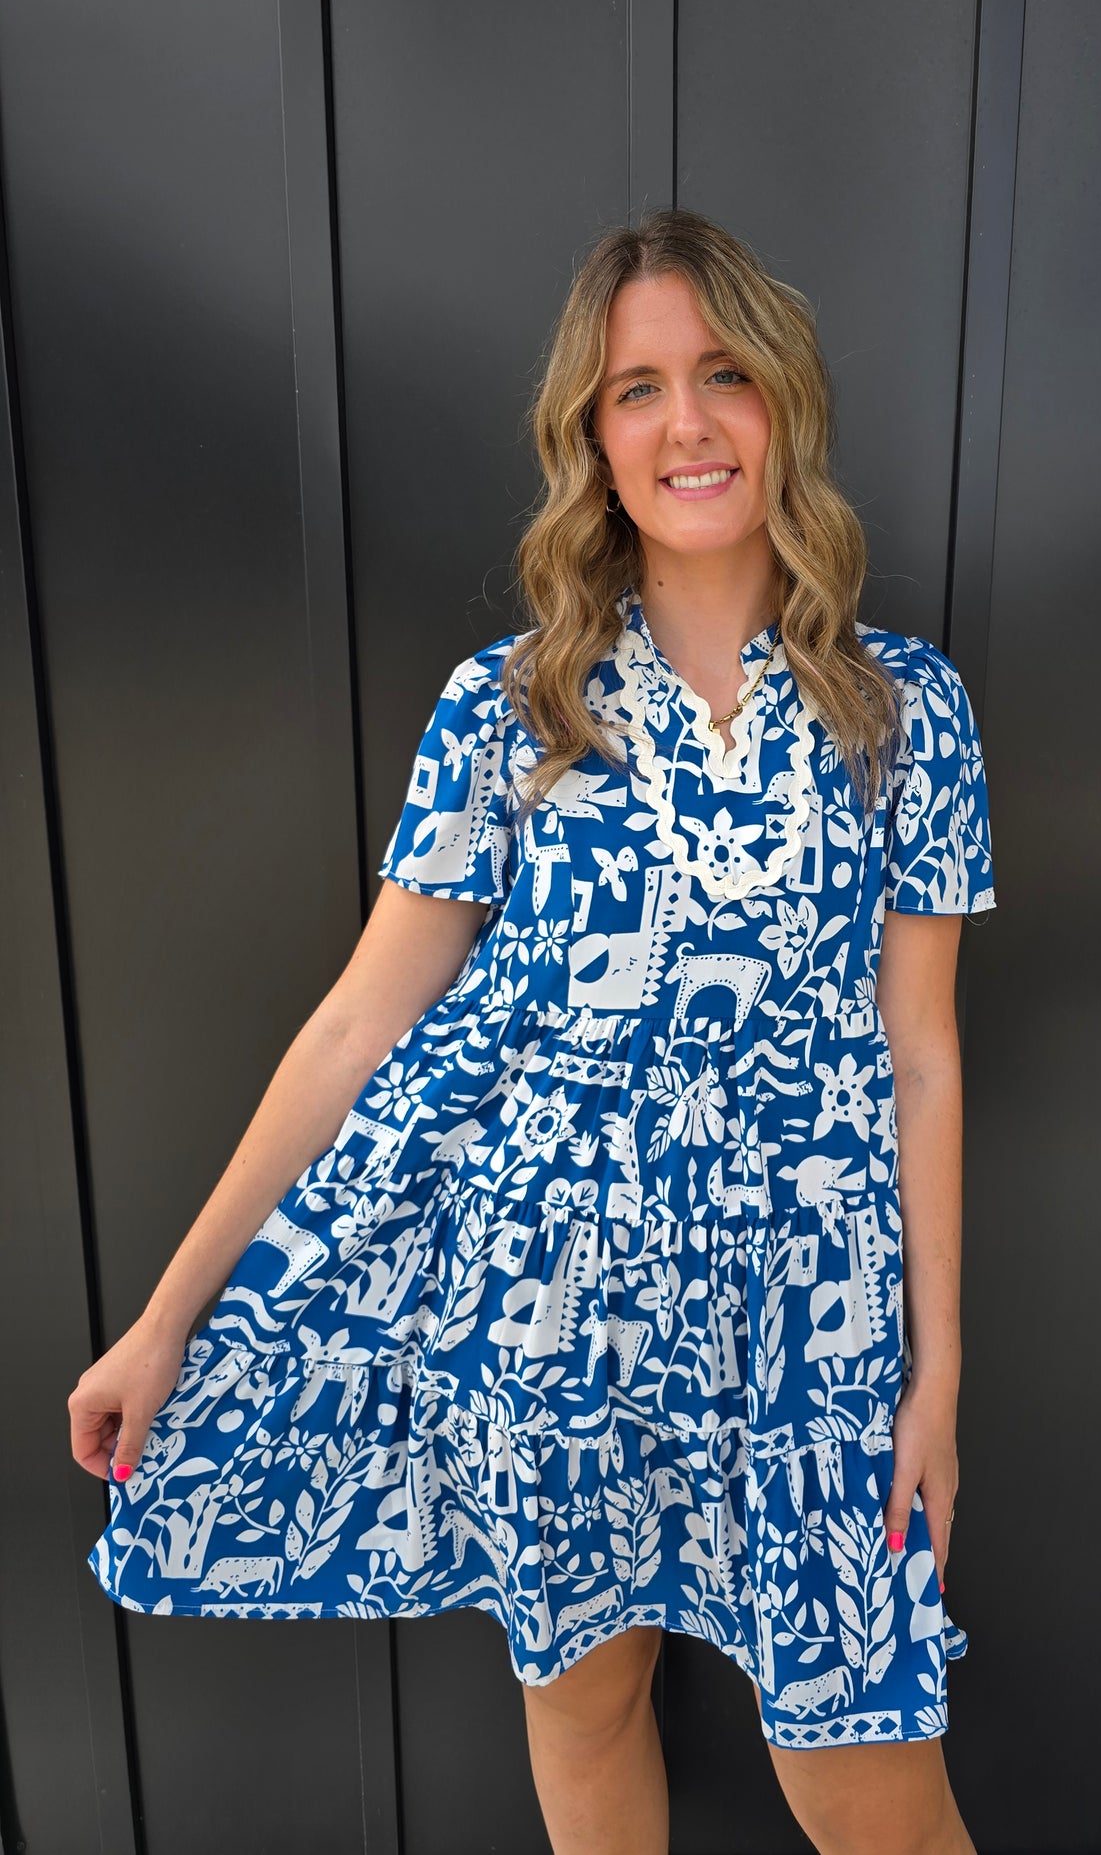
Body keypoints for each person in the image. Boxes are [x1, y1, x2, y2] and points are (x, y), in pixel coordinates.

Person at [69, 208, 995, 1854]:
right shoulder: (512, 703)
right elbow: (361, 1020)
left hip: (810, 1316)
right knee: (581, 1706)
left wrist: (936, 1376)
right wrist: (162, 1319)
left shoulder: (902, 708)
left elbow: (918, 1054)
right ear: (591, 441)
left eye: (722, 375)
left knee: (872, 1788)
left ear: (784, 402)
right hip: (549, 1305)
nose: (686, 424)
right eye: (635, 390)